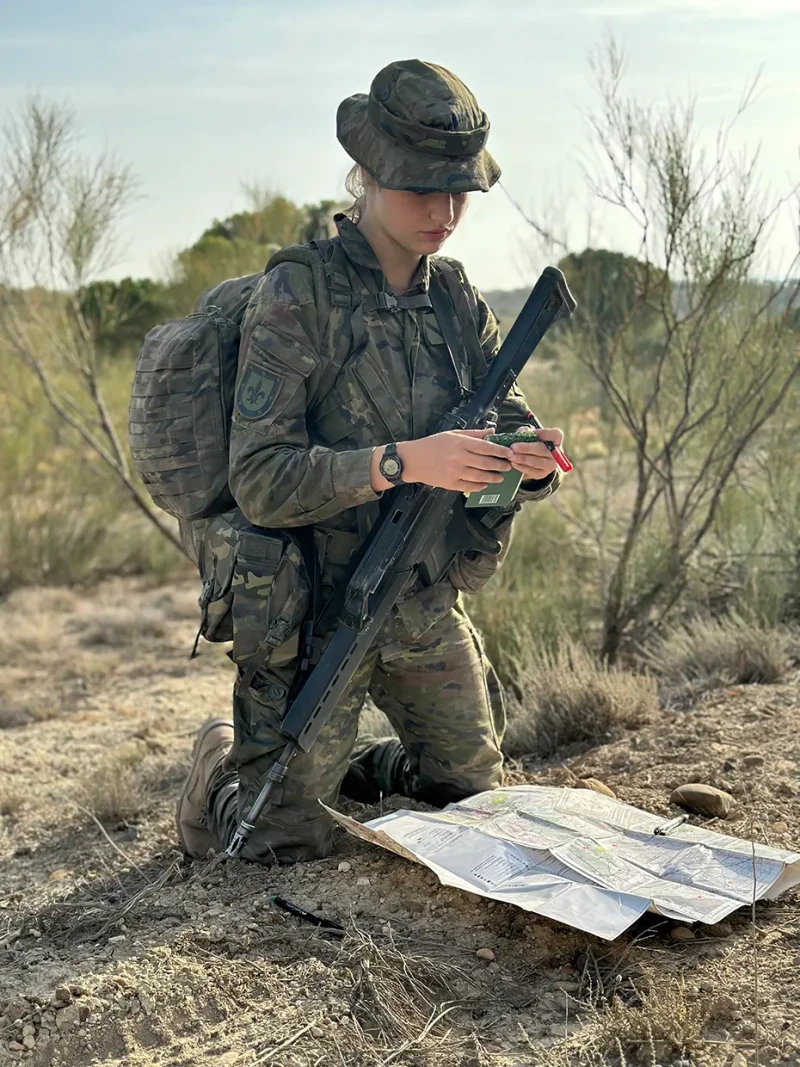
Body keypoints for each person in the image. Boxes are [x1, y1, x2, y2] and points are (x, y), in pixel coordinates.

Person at [176, 58, 565, 866]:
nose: (444, 210)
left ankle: (362, 768)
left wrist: (529, 465)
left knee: (473, 805)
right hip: (316, 605)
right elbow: (262, 478)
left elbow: (514, 426)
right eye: (422, 187)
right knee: (280, 843)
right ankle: (218, 773)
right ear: (368, 177)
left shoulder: (455, 299)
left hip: (419, 596)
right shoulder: (299, 294)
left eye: (459, 190)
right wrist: (404, 461)